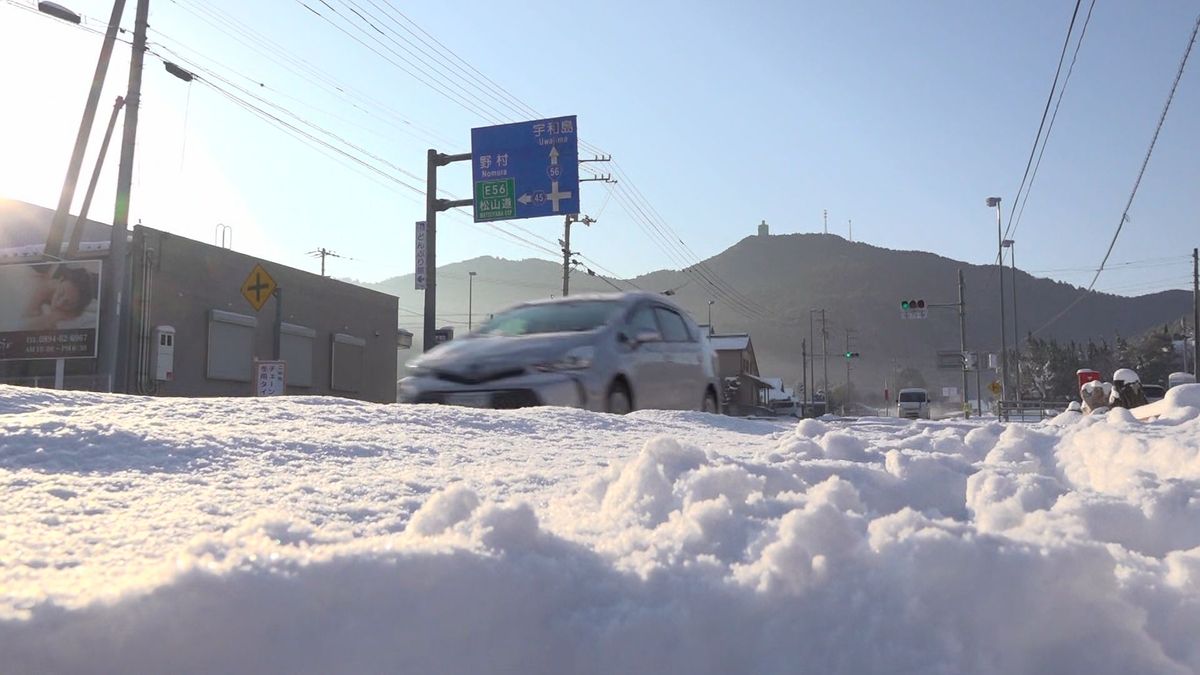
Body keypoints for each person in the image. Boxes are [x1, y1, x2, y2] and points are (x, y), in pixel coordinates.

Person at [20, 264, 96, 331]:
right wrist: (53, 317)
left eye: (68, 304)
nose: (59, 304)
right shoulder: (46, 287)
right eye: (61, 293)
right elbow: (21, 326)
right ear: (60, 280)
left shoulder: (76, 311)